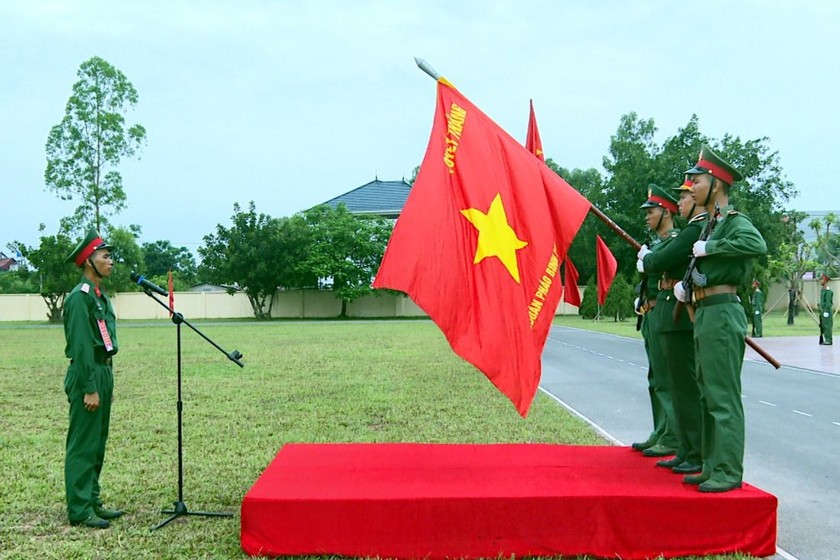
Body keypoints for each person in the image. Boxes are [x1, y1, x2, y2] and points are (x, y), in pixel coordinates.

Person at [675, 145, 767, 493]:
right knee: (706, 393)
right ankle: (711, 464)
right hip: (706, 312)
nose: (691, 186)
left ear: (716, 184)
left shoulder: (734, 222)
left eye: (697, 180)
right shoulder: (710, 225)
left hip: (723, 310)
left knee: (723, 395)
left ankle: (727, 470)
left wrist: (710, 249)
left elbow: (756, 244)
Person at [637, 181, 706, 475]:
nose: (680, 201)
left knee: (678, 383)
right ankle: (674, 439)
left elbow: (661, 264)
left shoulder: (687, 232)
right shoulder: (682, 234)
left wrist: (649, 261)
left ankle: (677, 440)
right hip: (660, 311)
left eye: (651, 211)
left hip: (675, 313)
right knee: (665, 380)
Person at [63, 228, 123, 528]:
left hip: (103, 370)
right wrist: (89, 387)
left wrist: (105, 380)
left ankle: (93, 500)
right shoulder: (80, 298)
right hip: (88, 373)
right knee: (83, 443)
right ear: (89, 261)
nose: (111, 261)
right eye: (105, 256)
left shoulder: (99, 296)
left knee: (98, 442)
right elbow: (82, 345)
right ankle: (79, 508)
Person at [630, 184, 680, 458]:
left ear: (666, 212)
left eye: (651, 211)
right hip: (650, 315)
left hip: (665, 314)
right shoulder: (658, 245)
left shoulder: (675, 241)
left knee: (668, 378)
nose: (647, 216)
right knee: (655, 378)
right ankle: (660, 430)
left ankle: (672, 434)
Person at [819, 273, 833, 345]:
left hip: (826, 310)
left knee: (827, 325)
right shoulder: (823, 290)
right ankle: (826, 339)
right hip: (823, 310)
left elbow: (828, 302)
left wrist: (826, 310)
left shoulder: (827, 291)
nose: (820, 281)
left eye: (821, 279)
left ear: (825, 280)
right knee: (824, 325)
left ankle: (828, 340)